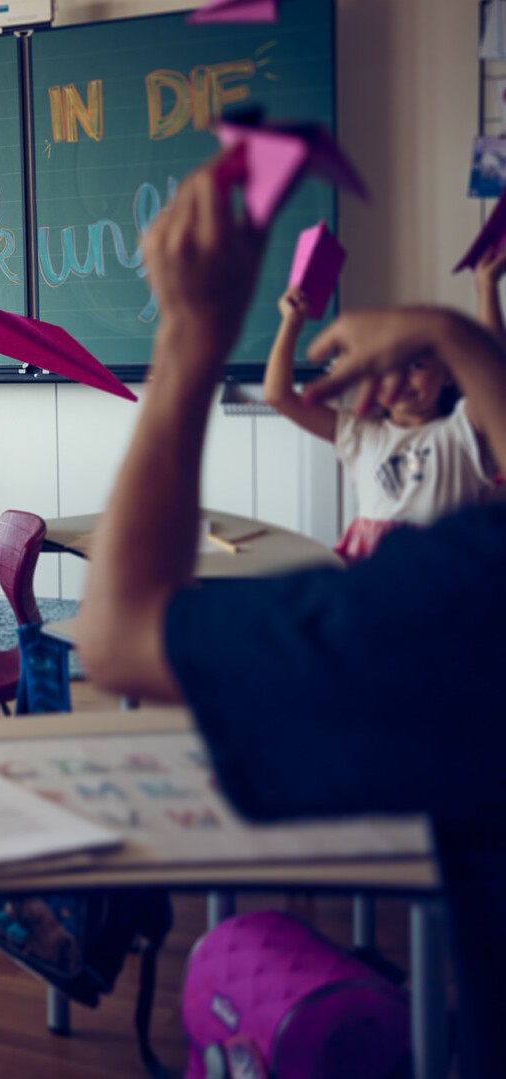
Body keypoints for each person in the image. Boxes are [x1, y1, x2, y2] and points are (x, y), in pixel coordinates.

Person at [75, 148, 506, 1078]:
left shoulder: (459, 595)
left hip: (405, 598)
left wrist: (190, 333)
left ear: (450, 388)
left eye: (428, 369)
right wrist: (456, 336)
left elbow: (115, 637)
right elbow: (282, 392)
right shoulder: (385, 462)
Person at [264, 283, 496, 560]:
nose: (399, 378)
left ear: (447, 375)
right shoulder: (360, 433)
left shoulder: (461, 431)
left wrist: (486, 287)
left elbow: (494, 378)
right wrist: (290, 323)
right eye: (388, 368)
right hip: (374, 578)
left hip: (440, 576)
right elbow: (278, 396)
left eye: (417, 365)